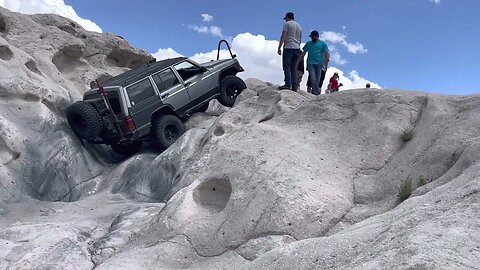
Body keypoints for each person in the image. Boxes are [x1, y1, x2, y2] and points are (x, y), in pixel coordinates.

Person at [297, 30, 330, 95]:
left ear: (317, 36)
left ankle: (314, 93)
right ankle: (316, 93)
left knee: (317, 80)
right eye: (311, 37)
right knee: (313, 78)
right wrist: (297, 62)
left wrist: (326, 65)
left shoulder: (323, 44)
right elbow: (303, 53)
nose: (312, 38)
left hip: (319, 64)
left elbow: (326, 54)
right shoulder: (308, 43)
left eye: (313, 37)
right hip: (310, 63)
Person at [277, 12, 302, 91]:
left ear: (287, 17)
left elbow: (284, 35)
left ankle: (288, 84)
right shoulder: (299, 26)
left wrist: (279, 47)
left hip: (289, 47)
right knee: (293, 67)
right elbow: (300, 39)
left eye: (286, 18)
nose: (285, 20)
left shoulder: (287, 24)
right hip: (297, 48)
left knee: (286, 66)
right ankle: (294, 85)